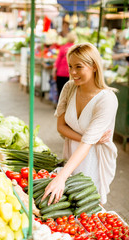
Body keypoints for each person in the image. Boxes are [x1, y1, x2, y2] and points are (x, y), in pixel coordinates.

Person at [42, 42, 118, 206]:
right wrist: (87, 138)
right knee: (69, 202)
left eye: (79, 66)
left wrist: (61, 177)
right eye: (70, 66)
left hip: (95, 158)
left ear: (94, 67)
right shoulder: (69, 88)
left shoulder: (107, 99)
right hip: (72, 154)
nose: (73, 72)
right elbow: (60, 127)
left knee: (89, 203)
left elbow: (87, 144)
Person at [52, 32, 77, 100]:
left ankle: (60, 106)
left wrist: (54, 70)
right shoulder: (76, 48)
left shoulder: (63, 48)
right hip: (71, 73)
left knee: (60, 91)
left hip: (60, 73)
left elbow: (58, 60)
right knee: (70, 92)